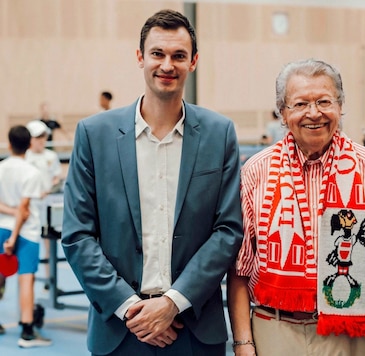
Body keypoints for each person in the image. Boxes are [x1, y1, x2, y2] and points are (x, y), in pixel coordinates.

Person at [61, 9, 243, 355]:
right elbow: (77, 234)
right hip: (120, 328)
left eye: (179, 56)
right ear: (140, 57)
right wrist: (132, 309)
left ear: (194, 62)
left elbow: (228, 230)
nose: (167, 65)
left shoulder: (220, 133)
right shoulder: (94, 135)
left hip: (194, 327)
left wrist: (173, 302)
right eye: (157, 53)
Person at [227, 58, 365, 356]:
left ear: (339, 106)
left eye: (324, 101)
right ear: (283, 113)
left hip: (355, 330)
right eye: (300, 104)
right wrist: (243, 343)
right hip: (274, 330)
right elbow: (240, 267)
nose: (314, 113)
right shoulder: (256, 171)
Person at [0, 125, 51, 348]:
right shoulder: (32, 173)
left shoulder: (0, 168)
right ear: (29, 144)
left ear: (9, 144)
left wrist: (9, 225)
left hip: (1, 227)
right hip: (26, 232)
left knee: (0, 275)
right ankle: (27, 333)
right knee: (26, 278)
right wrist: (14, 237)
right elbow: (24, 208)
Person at [25, 120, 63, 293]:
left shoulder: (51, 156)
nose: (41, 140)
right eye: (37, 137)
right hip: (30, 208)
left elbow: (56, 176)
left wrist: (51, 187)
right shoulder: (25, 157)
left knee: (50, 246)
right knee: (28, 246)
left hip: (48, 207)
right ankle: (27, 282)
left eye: (43, 136)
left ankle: (50, 280)